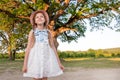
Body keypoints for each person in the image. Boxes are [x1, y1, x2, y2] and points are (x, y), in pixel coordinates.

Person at [22, 10, 64, 80]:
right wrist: (25, 65)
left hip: (46, 59)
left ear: (45, 20)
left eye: (42, 16)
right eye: (37, 17)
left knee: (45, 77)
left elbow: (53, 48)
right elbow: (28, 48)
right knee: (36, 78)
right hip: (35, 59)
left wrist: (59, 63)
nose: (39, 18)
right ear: (34, 21)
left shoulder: (48, 32)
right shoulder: (32, 32)